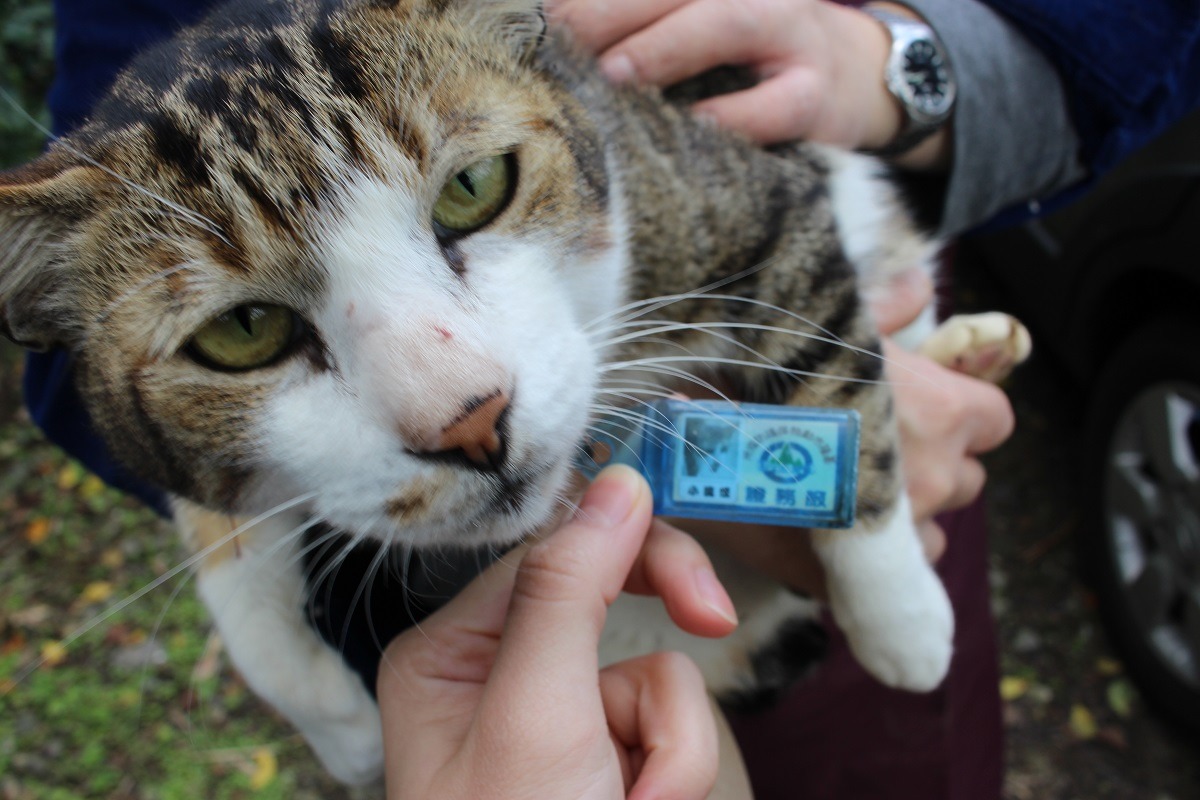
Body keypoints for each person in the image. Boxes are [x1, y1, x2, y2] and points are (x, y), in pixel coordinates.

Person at [28, 0, 1200, 797]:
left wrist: (913, 63)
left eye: (474, 190)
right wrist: (722, 467)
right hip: (470, 627)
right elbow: (83, 364)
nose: (457, 412)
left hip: (853, 404)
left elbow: (791, 227)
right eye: (250, 325)